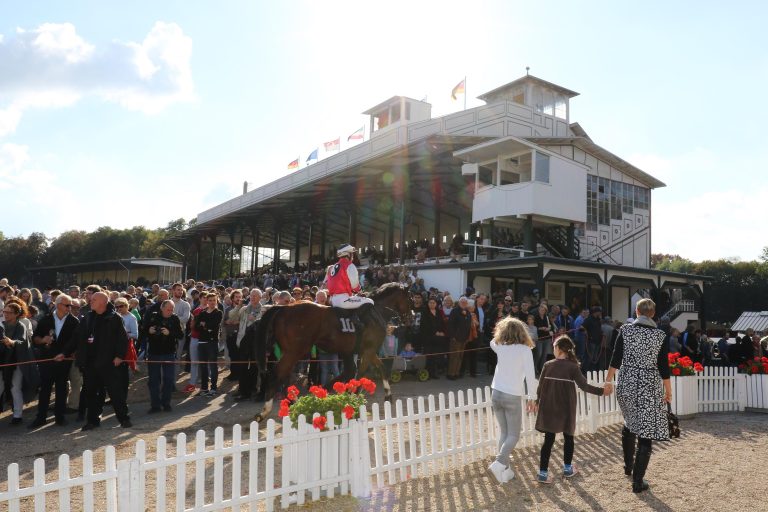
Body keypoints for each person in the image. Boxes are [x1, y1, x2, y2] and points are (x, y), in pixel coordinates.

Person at [605, 298, 672, 493]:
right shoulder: (660, 336)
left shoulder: (625, 330)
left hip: (626, 383)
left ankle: (628, 467)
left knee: (629, 423)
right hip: (649, 386)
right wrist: (668, 390)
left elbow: (615, 358)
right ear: (652, 314)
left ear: (636, 311)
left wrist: (609, 380)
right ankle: (637, 481)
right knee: (646, 431)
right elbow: (663, 366)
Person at [533, 336, 611, 483]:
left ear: (560, 349)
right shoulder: (573, 367)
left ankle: (543, 473)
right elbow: (584, 386)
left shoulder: (547, 365)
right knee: (568, 437)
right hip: (566, 407)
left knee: (548, 440)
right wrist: (602, 391)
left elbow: (540, 386)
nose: (553, 349)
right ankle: (568, 469)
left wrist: (537, 401)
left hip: (549, 406)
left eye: (554, 346)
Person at [487, 317, 537, 484]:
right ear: (522, 332)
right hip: (512, 395)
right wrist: (532, 397)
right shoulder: (525, 350)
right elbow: (530, 377)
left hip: (496, 393)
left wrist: (503, 326)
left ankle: (505, 472)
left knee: (505, 433)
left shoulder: (500, 346)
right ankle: (500, 462)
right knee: (514, 435)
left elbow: (492, 341)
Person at [75, 292, 132, 430]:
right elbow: (78, 337)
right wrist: (66, 352)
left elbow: (122, 339)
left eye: (94, 299)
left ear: (102, 302)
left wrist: (119, 356)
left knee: (115, 393)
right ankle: (93, 421)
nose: (90, 301)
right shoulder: (88, 317)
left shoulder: (114, 318)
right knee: (91, 393)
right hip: (90, 364)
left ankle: (124, 419)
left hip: (109, 363)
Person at [29, 294, 80, 428]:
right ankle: (41, 418)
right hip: (47, 359)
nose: (70, 308)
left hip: (64, 360)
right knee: (45, 388)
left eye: (71, 305)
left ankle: (60, 417)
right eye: (67, 305)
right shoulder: (45, 320)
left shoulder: (74, 322)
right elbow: (35, 339)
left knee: (62, 388)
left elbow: (76, 341)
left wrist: (67, 353)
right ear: (58, 305)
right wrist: (43, 340)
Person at [1, 302, 39, 425]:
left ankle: (17, 415)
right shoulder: (2, 325)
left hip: (17, 362)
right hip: (3, 362)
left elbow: (22, 342)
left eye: (9, 312)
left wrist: (12, 342)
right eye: (4, 312)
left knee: (15, 387)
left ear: (17, 314)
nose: (6, 314)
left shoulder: (21, 326)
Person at [145, 300, 183, 412]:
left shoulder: (174, 318)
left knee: (169, 379)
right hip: (154, 353)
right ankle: (155, 405)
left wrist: (169, 333)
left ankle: (166, 403)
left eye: (172, 310)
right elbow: (142, 331)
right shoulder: (153, 317)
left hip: (169, 353)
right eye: (168, 310)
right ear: (162, 308)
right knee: (154, 380)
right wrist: (149, 331)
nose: (170, 312)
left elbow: (180, 335)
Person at [325, 244, 374, 310]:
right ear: (348, 254)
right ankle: (356, 320)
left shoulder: (334, 266)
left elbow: (329, 284)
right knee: (370, 302)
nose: (353, 256)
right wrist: (360, 292)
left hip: (333, 300)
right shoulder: (349, 265)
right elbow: (355, 285)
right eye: (352, 253)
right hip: (344, 300)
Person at [195, 293, 223, 397]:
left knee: (212, 365)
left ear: (216, 301)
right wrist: (206, 326)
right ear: (207, 301)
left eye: (213, 300)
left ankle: (214, 388)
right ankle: (204, 388)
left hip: (212, 342)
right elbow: (197, 327)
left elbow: (214, 326)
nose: (211, 302)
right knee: (203, 366)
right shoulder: (202, 312)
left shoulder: (218, 313)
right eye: (210, 300)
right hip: (202, 341)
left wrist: (205, 325)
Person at [446, 297, 472, 380]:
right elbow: (450, 324)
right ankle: (451, 374)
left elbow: (468, 326)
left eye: (465, 302)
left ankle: (456, 373)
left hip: (464, 338)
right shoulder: (454, 311)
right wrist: (453, 336)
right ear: (459, 303)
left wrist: (468, 337)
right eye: (462, 302)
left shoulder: (468, 312)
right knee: (454, 356)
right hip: (456, 338)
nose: (464, 303)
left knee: (460, 356)